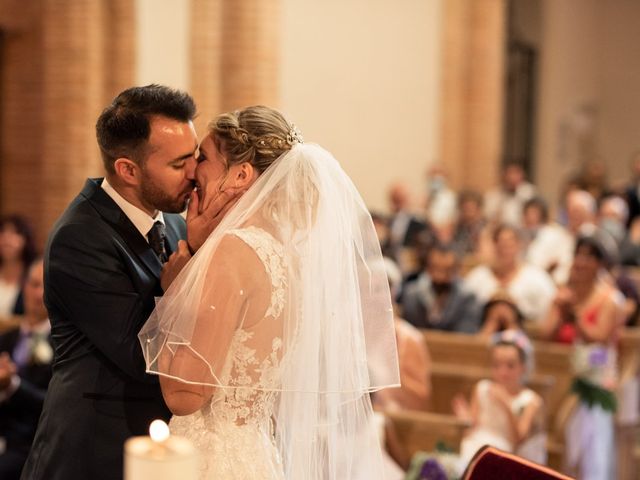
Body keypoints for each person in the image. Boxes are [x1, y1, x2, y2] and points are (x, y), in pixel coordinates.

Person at [139, 106, 400, 479]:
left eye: (206, 158)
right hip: (255, 451)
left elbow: (184, 395)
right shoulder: (289, 256)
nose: (195, 170)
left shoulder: (232, 251)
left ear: (242, 174)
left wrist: (177, 286)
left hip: (210, 459)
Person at [22, 85, 237, 480]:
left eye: (194, 157)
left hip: (162, 443)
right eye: (178, 164)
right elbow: (142, 356)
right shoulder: (80, 237)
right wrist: (175, 292)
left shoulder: (173, 221)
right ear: (128, 170)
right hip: (98, 447)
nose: (194, 173)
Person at [538, 236, 624, 479]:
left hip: (592, 380)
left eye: (589, 257)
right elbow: (545, 334)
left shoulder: (610, 299)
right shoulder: (565, 292)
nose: (581, 262)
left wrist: (574, 314)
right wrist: (560, 308)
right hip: (557, 377)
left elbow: (599, 338)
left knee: (590, 444)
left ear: (600, 263)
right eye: (579, 255)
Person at [453, 329, 546, 471]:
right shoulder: (482, 388)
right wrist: (464, 419)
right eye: (496, 365)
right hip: (474, 445)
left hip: (504, 454)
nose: (503, 372)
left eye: (510, 366)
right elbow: (472, 428)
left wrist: (506, 405)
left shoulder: (530, 400)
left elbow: (519, 439)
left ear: (523, 367)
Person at [0, 259, 52, 480]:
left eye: (45, 287)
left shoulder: (61, 346)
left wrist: (13, 385)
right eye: (33, 284)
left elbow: (51, 404)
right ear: (24, 286)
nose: (37, 294)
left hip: (31, 444)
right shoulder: (5, 339)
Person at [464, 224, 556, 322]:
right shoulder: (477, 277)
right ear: (494, 246)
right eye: (501, 244)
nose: (505, 250)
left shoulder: (537, 278)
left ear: (519, 245)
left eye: (509, 245)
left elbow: (549, 311)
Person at [401, 243, 480, 333]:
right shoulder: (411, 294)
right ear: (428, 268)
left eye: (447, 271)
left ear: (456, 270)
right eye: (436, 269)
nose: (440, 277)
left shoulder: (467, 297)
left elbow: (466, 336)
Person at [0, 215, 37, 319]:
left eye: (14, 233)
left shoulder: (33, 276)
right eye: (2, 232)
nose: (6, 239)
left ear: (26, 240)